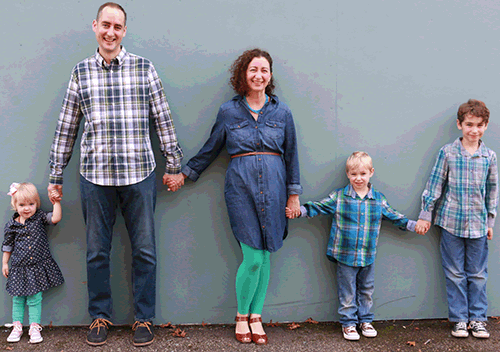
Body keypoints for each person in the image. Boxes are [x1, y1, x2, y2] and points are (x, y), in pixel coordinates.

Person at [48, 2, 184, 347]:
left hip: (139, 174)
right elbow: (67, 128)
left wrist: (173, 164)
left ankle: (143, 318)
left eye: (117, 27)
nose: (111, 32)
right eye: (105, 25)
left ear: (125, 31)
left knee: (145, 251)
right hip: (94, 177)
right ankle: (99, 316)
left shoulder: (144, 68)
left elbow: (163, 119)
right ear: (95, 26)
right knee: (96, 251)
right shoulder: (81, 73)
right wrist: (56, 173)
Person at [179, 48, 302, 345]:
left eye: (264, 70)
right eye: (253, 70)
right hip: (240, 190)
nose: (258, 75)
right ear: (243, 75)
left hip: (274, 189)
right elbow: (211, 148)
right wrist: (184, 174)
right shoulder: (229, 112)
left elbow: (292, 156)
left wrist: (293, 195)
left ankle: (256, 316)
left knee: (266, 253)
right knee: (253, 257)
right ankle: (241, 315)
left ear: (270, 76)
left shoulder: (282, 112)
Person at [287, 152, 422, 341]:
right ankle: (348, 323)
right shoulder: (339, 197)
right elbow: (319, 206)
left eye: (363, 174)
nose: (358, 178)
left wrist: (413, 225)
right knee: (347, 290)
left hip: (368, 255)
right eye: (354, 174)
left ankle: (365, 320)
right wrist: (298, 211)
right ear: (348, 174)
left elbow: (394, 216)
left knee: (366, 289)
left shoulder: (378, 199)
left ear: (371, 173)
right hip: (345, 255)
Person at [415, 99, 498, 339]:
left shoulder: (489, 156)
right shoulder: (448, 152)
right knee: (454, 273)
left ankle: (478, 319)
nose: (474, 130)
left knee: (478, 274)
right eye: (469, 124)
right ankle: (460, 319)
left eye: (479, 125)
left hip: (478, 226)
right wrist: (425, 215)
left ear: (486, 126)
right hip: (450, 223)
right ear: (459, 124)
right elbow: (434, 185)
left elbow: (492, 190)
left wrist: (490, 222)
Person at [2, 182, 64, 344]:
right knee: (18, 298)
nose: (27, 208)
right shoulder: (12, 225)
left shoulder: (39, 218)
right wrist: (5, 263)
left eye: (31, 204)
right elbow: (7, 246)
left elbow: (55, 218)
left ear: (37, 204)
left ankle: (34, 327)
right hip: (18, 268)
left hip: (37, 267)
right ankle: (17, 327)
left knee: (35, 298)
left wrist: (56, 202)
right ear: (15, 205)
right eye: (22, 205)